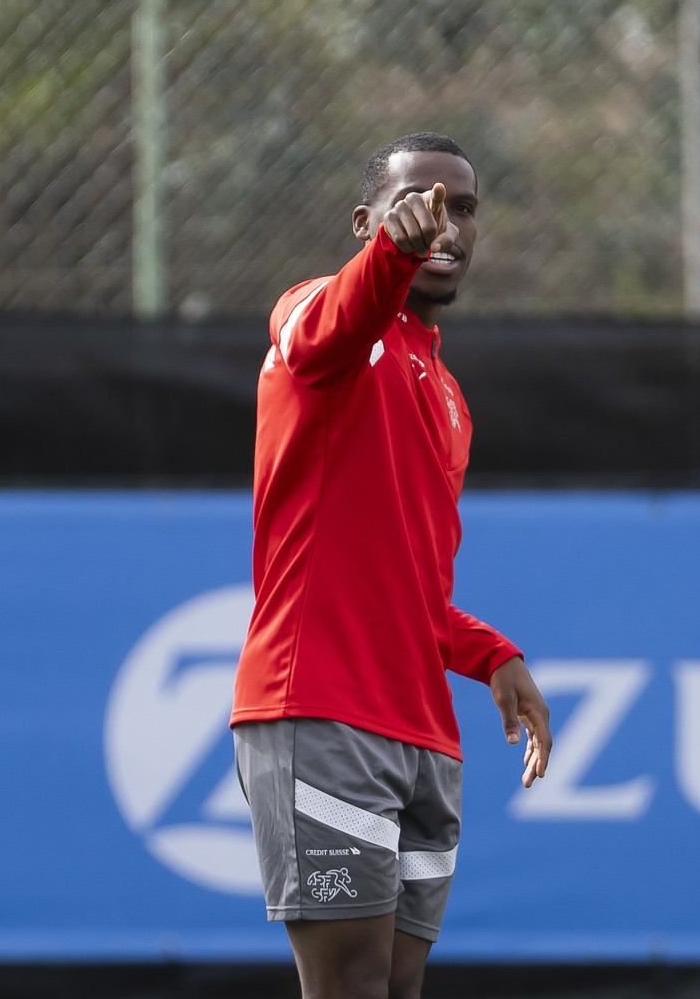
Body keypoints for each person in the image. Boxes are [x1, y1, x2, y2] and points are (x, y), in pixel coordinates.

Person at [230, 132, 552, 999]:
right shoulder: (317, 318)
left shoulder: (448, 395)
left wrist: (490, 652)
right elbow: (323, 329)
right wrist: (388, 256)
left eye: (465, 207)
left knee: (394, 987)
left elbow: (409, 584)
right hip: (320, 710)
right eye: (421, 201)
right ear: (366, 221)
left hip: (421, 733)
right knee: (351, 985)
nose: (445, 222)